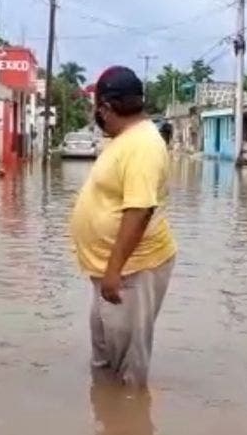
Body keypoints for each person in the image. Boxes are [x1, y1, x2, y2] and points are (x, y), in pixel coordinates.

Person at [69, 66, 177, 387]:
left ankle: (130, 412)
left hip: (132, 269)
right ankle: (105, 407)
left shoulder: (143, 145)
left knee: (128, 361)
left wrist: (114, 270)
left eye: (97, 107)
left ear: (106, 108)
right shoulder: (125, 139)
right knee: (105, 351)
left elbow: (140, 210)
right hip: (113, 270)